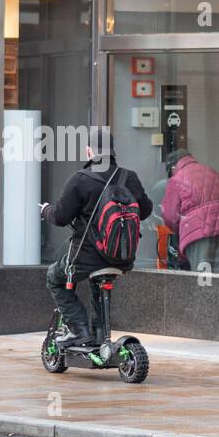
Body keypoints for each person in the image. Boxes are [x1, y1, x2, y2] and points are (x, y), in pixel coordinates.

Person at [42, 131, 153, 348]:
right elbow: (145, 210)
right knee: (100, 281)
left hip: (85, 257)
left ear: (89, 151)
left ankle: (79, 330)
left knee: (54, 278)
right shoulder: (128, 177)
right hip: (121, 257)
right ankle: (100, 335)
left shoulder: (80, 180)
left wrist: (45, 210)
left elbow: (60, 217)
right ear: (113, 152)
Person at [160, 148, 219, 274]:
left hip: (197, 231)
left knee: (203, 277)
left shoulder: (176, 179)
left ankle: (205, 294)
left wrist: (178, 234)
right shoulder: (213, 172)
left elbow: (170, 217)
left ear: (172, 167)